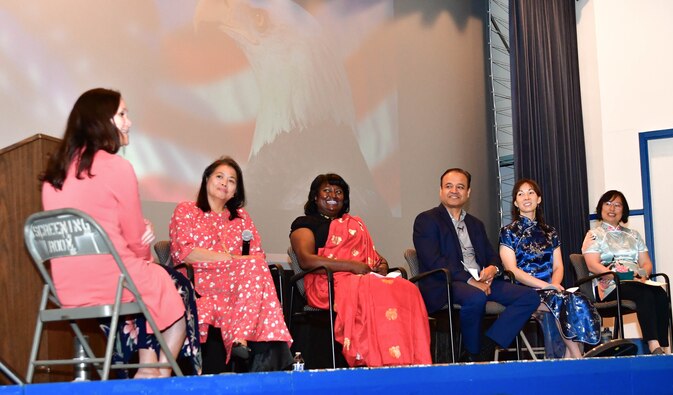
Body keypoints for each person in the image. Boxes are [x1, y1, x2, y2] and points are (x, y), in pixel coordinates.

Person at [40, 88, 194, 378]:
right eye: (122, 114)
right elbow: (135, 242)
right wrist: (144, 249)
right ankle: (154, 376)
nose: (129, 122)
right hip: (113, 281)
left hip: (66, 287)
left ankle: (146, 370)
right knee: (174, 288)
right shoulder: (118, 167)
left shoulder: (54, 174)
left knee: (149, 285)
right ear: (101, 120)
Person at [290, 173, 432, 367]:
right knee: (370, 288)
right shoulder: (305, 224)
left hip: (360, 279)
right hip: (326, 282)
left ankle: (407, 359)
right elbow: (306, 260)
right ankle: (373, 358)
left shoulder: (353, 225)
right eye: (327, 190)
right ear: (315, 196)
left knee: (407, 288)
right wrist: (352, 266)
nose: (333, 195)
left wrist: (381, 265)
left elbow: (373, 257)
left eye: (339, 192)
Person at [169, 156, 293, 373]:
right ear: (207, 179)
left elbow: (257, 255)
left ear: (236, 191)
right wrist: (234, 260)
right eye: (219, 176)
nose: (225, 183)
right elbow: (186, 253)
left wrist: (242, 264)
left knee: (257, 267)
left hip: (238, 286)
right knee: (254, 270)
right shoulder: (186, 210)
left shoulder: (241, 218)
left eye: (232, 180)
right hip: (199, 279)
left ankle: (243, 344)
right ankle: (264, 358)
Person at [413, 168, 540, 362]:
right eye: (449, 186)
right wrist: (471, 281)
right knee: (476, 297)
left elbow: (492, 255)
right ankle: (472, 355)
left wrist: (493, 269)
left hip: (482, 282)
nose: (454, 190)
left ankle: (488, 344)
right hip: (445, 283)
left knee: (530, 296)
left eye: (460, 187)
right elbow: (434, 261)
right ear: (440, 191)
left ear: (468, 192)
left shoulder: (475, 224)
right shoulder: (426, 220)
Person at [499, 179, 601, 359]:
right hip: (524, 293)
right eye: (520, 194)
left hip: (551, 290)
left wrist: (554, 284)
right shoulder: (508, 232)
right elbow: (511, 270)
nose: (526, 197)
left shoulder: (550, 232)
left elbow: (558, 266)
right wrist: (544, 286)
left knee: (578, 299)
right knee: (561, 302)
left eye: (531, 192)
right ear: (515, 202)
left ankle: (568, 359)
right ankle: (578, 358)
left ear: (539, 199)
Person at [582, 190, 671, 354]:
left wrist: (643, 273)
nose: (612, 208)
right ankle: (652, 344)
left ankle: (662, 346)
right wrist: (617, 276)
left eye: (617, 205)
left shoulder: (633, 235)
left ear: (623, 210)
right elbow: (592, 265)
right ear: (601, 208)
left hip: (635, 282)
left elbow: (646, 262)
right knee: (643, 293)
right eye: (608, 203)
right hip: (610, 284)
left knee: (659, 293)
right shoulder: (594, 234)